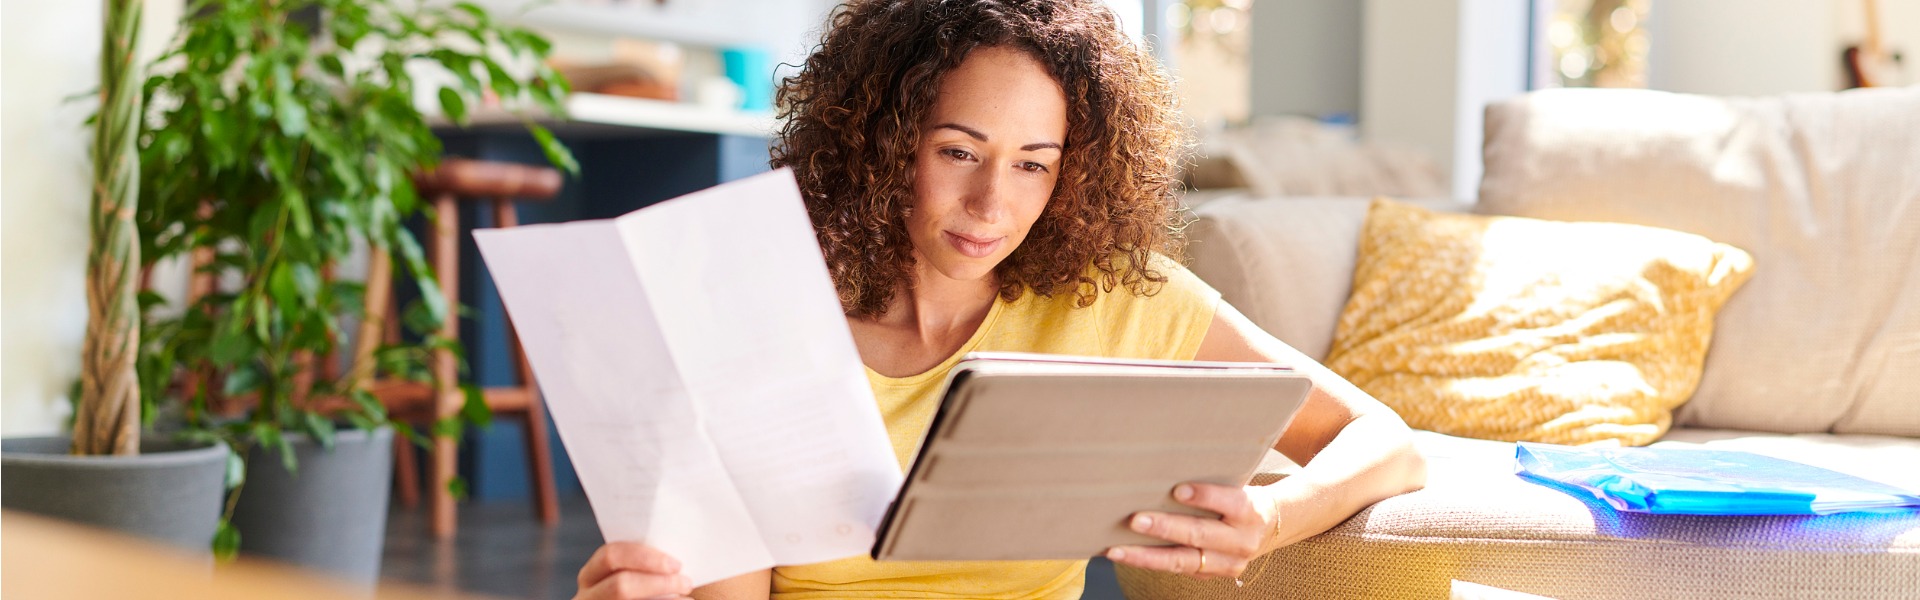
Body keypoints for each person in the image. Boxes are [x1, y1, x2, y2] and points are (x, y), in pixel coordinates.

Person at [573, 1, 1427, 598]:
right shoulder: (765, 314)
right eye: (957, 152)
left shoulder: (1115, 297)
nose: (992, 204)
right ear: (884, 142)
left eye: (1032, 163)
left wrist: (1272, 517)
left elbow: (1385, 441)